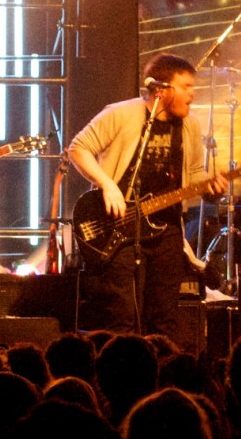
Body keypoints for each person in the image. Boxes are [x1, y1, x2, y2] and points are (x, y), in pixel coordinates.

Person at [67, 53, 227, 336]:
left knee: (164, 320)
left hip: (167, 231)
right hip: (120, 225)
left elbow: (193, 172)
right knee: (122, 318)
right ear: (161, 89)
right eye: (186, 86)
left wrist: (210, 189)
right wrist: (107, 184)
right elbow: (78, 148)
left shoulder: (190, 125)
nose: (192, 94)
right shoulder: (121, 114)